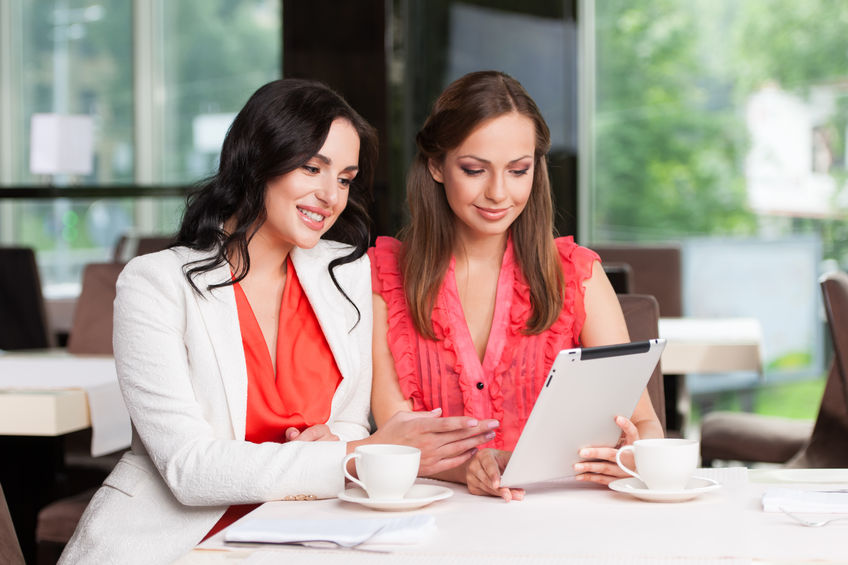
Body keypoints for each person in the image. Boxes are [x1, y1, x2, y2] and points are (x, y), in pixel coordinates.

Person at [60, 79, 492, 565]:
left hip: (307, 534)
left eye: (346, 179)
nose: (331, 196)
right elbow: (189, 468)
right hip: (176, 546)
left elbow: (347, 421)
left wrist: (345, 445)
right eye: (313, 168)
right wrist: (349, 456)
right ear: (258, 161)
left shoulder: (345, 271)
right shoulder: (155, 284)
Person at [370, 70, 663, 502]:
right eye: (474, 170)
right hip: (436, 525)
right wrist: (470, 468)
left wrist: (633, 453)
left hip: (562, 521)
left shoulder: (578, 274)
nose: (498, 192)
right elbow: (399, 439)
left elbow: (647, 424)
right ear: (436, 165)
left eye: (518, 170)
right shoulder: (386, 276)